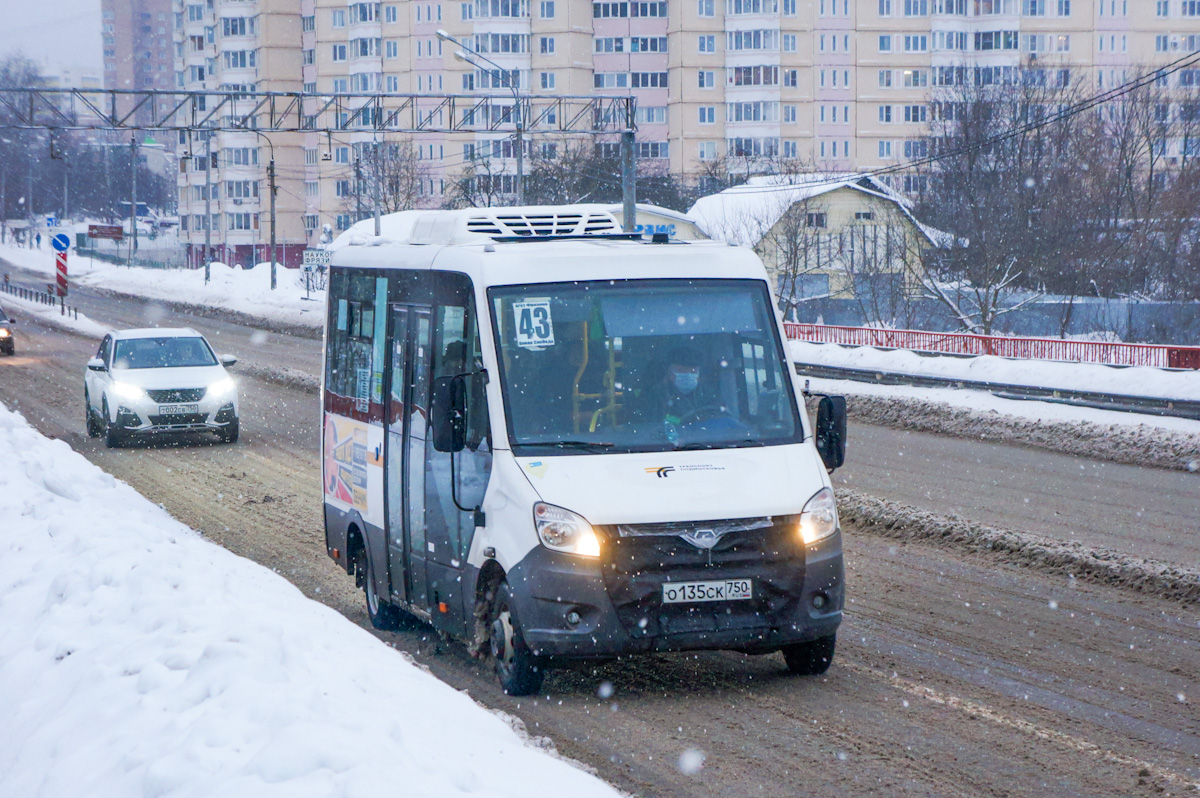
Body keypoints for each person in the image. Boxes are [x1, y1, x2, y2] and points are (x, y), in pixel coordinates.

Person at [634, 346, 717, 429]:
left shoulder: (710, 395)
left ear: (699, 374)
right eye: (680, 370)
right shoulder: (652, 396)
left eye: (692, 371)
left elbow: (720, 423)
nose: (687, 375)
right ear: (668, 372)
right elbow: (646, 427)